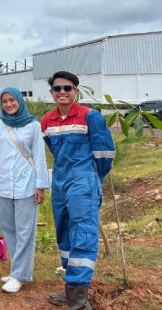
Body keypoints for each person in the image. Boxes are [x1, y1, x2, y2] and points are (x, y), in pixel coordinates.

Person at [41, 72, 115, 309]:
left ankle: (79, 300)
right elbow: (54, 151)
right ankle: (70, 288)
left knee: (83, 233)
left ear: (76, 91)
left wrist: (91, 179)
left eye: (67, 88)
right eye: (57, 88)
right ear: (51, 92)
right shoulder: (47, 121)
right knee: (64, 234)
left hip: (83, 182)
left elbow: (105, 156)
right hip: (60, 182)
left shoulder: (90, 117)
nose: (62, 92)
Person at [0, 88, 49, 293]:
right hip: (4, 183)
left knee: (25, 231)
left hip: (26, 184)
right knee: (8, 228)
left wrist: (40, 185)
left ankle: (19, 275)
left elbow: (40, 156)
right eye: (4, 101)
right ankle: (18, 269)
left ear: (20, 101)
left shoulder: (33, 125)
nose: (8, 104)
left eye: (12, 100)